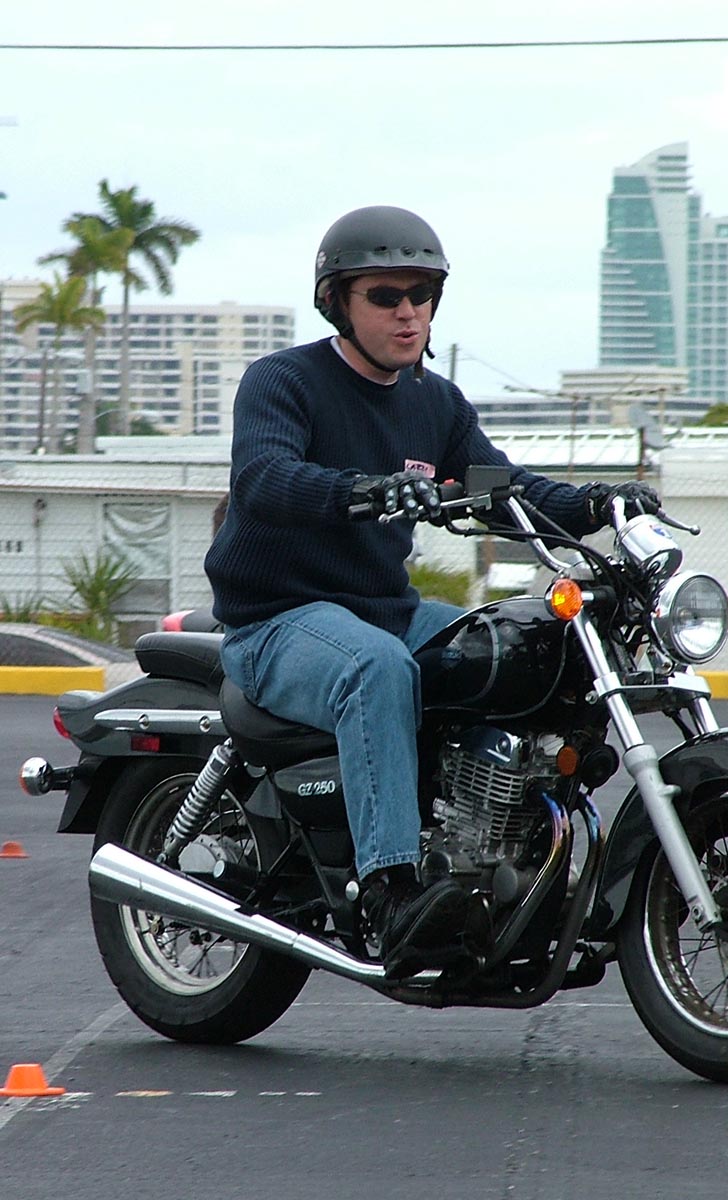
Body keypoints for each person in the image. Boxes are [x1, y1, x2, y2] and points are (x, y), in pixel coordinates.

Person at [205, 205, 659, 977]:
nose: (407, 312)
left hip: (386, 611)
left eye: (421, 295)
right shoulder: (284, 381)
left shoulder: (434, 403)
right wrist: (364, 490)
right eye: (385, 296)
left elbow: (502, 487)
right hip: (277, 619)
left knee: (524, 647)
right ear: (337, 302)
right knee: (377, 668)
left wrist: (597, 503)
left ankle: (506, 860)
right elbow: (265, 477)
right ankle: (391, 894)